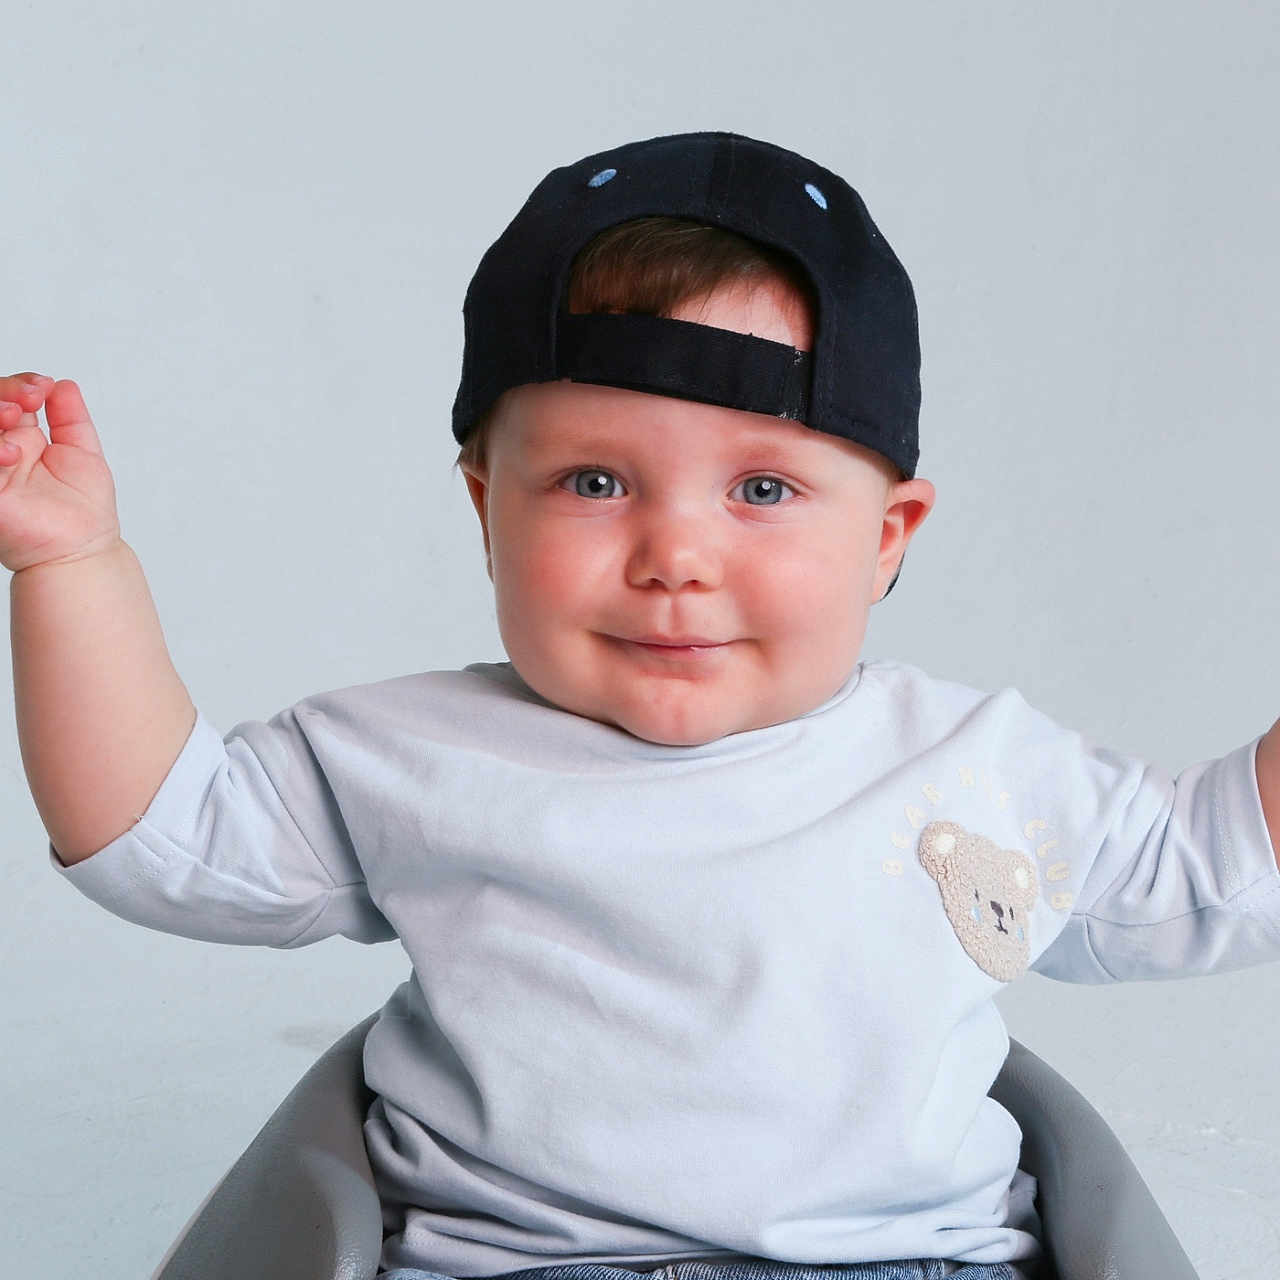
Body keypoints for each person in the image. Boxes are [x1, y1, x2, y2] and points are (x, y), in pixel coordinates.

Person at [5, 131, 1278, 1280]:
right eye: (595, 478)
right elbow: (162, 840)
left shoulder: (969, 763)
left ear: (887, 537)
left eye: (764, 490)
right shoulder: (404, 757)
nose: (676, 552)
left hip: (901, 1262)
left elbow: (1207, 870)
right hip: (510, 1265)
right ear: (484, 508)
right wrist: (71, 568)